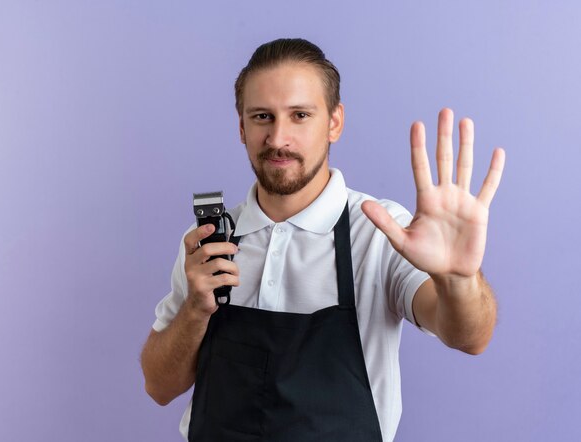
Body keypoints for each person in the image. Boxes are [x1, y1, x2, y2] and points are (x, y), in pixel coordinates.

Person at [140, 38, 505, 442]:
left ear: (334, 122)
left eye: (299, 115)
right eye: (263, 116)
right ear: (241, 127)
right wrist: (194, 310)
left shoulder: (381, 231)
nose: (279, 139)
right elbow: (159, 387)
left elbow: (471, 336)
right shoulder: (210, 243)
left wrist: (457, 279)